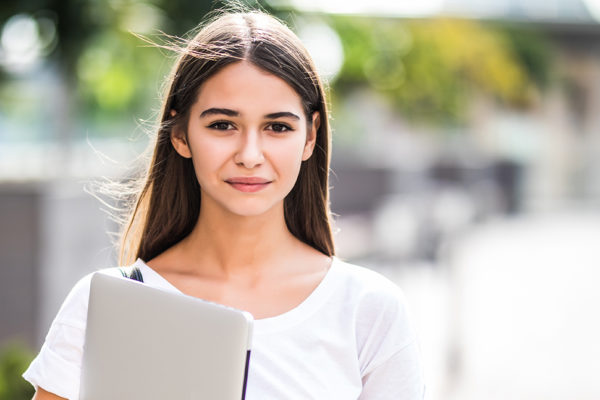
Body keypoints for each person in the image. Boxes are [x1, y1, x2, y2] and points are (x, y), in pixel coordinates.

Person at [23, 8, 425, 400]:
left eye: (277, 127)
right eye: (222, 125)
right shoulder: (104, 306)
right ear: (180, 134)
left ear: (310, 136)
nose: (250, 154)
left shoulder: (367, 309)